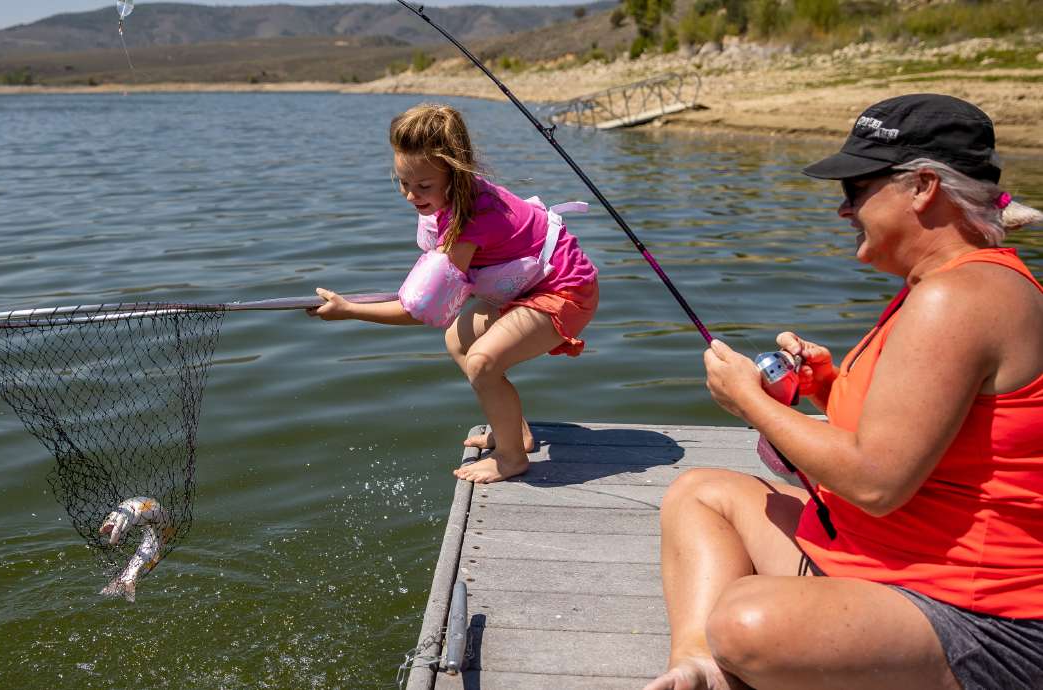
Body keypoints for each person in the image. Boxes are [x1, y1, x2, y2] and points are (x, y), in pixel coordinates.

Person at [645, 93, 1043, 690]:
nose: (842, 209)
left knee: (748, 620)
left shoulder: (957, 298)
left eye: (855, 189)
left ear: (923, 187)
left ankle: (738, 654)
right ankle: (700, 667)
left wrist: (747, 399)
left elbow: (876, 483)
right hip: (884, 562)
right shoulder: (940, 285)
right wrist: (826, 387)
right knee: (700, 492)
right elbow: (919, 431)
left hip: (980, 621)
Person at [307, 103, 599, 483]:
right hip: (533, 286)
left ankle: (510, 458)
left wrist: (348, 310)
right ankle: (517, 433)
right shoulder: (454, 202)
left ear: (455, 173)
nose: (411, 195)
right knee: (458, 340)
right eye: (402, 182)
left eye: (423, 186)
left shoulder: (471, 221)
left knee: (482, 361)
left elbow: (422, 311)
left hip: (566, 290)